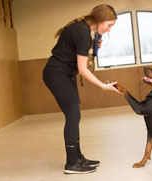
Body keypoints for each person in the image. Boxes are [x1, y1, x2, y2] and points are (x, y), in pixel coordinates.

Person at [43, 4, 119, 174]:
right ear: (100, 20)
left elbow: (78, 55)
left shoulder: (84, 31)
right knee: (73, 115)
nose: (109, 30)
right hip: (57, 73)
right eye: (109, 25)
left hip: (64, 73)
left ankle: (78, 158)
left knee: (74, 114)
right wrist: (103, 86)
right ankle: (71, 163)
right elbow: (83, 69)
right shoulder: (83, 32)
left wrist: (92, 45)